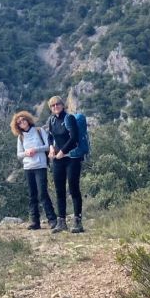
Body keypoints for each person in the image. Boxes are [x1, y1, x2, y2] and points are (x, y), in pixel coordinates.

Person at [46, 96, 84, 233]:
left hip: (72, 158)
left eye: (57, 104)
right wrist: (51, 148)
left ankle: (77, 221)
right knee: (59, 190)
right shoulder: (51, 120)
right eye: (52, 105)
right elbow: (50, 136)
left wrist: (62, 151)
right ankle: (61, 221)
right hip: (58, 159)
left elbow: (74, 139)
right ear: (50, 108)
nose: (55, 107)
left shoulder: (69, 119)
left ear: (63, 105)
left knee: (73, 188)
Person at [11, 110, 54, 230]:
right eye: (19, 122)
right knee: (32, 195)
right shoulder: (20, 137)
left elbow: (47, 146)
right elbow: (19, 154)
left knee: (43, 193)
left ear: (28, 120)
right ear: (17, 126)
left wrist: (36, 149)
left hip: (40, 166)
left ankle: (52, 219)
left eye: (23, 120)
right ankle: (35, 221)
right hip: (28, 167)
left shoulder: (39, 131)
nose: (22, 123)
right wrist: (26, 152)